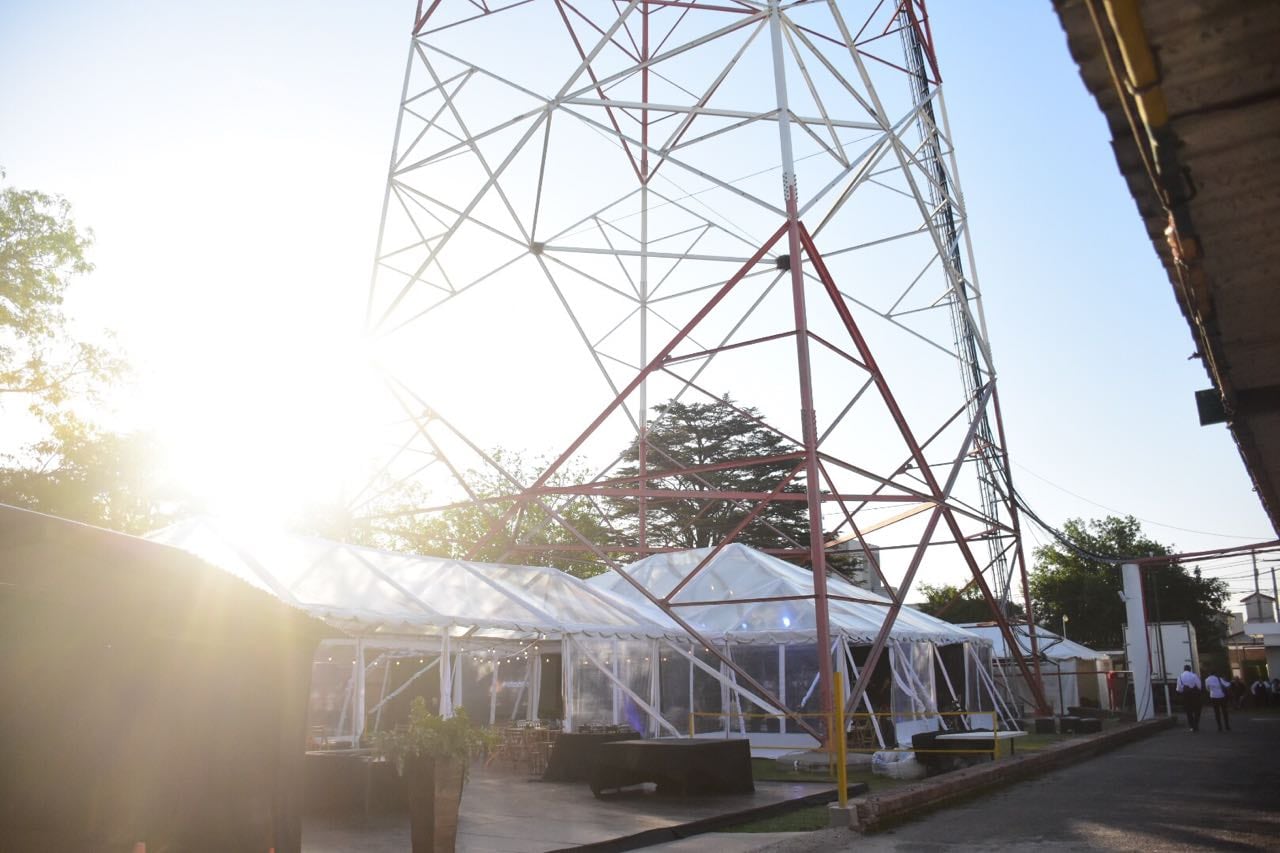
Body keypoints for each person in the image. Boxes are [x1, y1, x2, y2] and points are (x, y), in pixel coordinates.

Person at [1176, 664, 1203, 732]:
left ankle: (1191, 726)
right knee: (1197, 709)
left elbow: (1179, 688)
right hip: (1194, 695)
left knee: (1188, 711)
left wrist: (1183, 690)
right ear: (1190, 669)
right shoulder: (1194, 675)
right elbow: (1199, 686)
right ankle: (1196, 724)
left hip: (1185, 695)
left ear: (1184, 669)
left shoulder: (1180, 676)